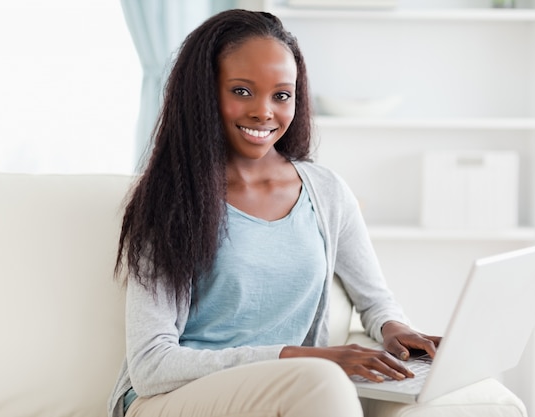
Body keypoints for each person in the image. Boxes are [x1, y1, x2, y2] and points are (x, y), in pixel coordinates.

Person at [108, 8, 440, 417]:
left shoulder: (327, 192)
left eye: (281, 95)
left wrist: (397, 330)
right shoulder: (169, 198)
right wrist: (303, 358)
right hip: (170, 399)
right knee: (321, 383)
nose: (264, 112)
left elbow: (376, 301)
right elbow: (151, 365)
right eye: (242, 91)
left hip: (284, 390)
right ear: (204, 93)